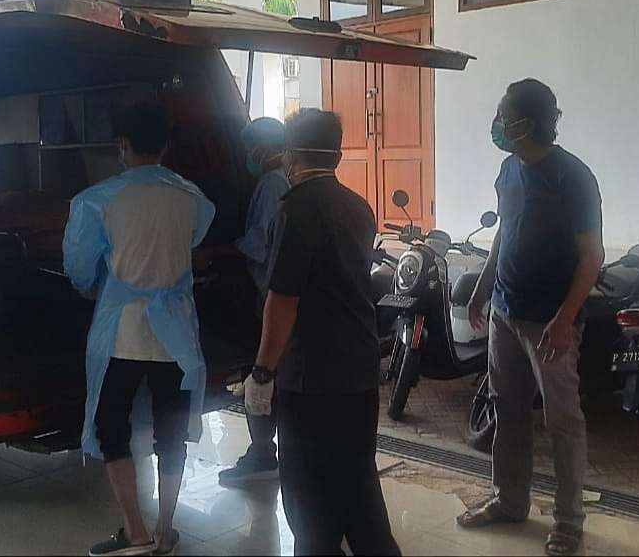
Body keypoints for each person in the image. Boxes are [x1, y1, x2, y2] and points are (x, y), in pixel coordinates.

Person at [243, 108, 401, 556]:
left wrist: (261, 373)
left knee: (308, 493)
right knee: (357, 482)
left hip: (311, 376)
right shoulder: (358, 205)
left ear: (290, 154)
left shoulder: (295, 210)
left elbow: (284, 299)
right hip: (357, 369)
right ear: (337, 153)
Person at [456, 79, 604, 557]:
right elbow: (505, 233)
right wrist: (483, 287)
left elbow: (591, 257)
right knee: (508, 409)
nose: (497, 124)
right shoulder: (508, 169)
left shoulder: (572, 177)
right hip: (504, 311)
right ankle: (509, 500)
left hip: (550, 323)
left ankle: (568, 521)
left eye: (504, 115)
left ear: (527, 122)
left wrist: (565, 320)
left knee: (563, 421)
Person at [63, 102, 216, 557]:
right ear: (166, 146)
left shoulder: (98, 199)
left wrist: (95, 284)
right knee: (170, 431)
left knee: (114, 427)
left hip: (122, 332)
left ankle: (135, 529)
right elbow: (193, 241)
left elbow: (79, 267)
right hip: (176, 335)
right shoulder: (193, 198)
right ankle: (167, 528)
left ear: (122, 146)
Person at [197, 117, 290, 487]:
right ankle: (271, 450)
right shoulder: (282, 178)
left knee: (262, 374)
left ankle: (263, 451)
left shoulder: (270, 183)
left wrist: (214, 254)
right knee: (273, 374)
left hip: (269, 293)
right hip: (275, 290)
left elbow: (258, 241)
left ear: (263, 148)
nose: (245, 155)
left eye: (249, 147)